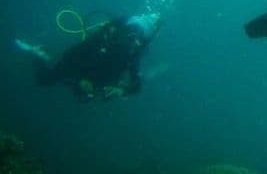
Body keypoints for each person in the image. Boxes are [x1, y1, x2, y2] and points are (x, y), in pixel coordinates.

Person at [18, 12, 161, 101]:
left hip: (95, 79)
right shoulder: (106, 38)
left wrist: (120, 91)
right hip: (80, 66)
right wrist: (83, 79)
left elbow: (136, 87)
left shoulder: (133, 52)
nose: (132, 40)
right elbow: (74, 55)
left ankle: (42, 56)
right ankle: (38, 53)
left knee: (82, 94)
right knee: (44, 79)